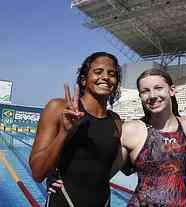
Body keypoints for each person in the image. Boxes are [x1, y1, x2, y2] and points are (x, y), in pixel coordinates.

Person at [29, 52, 122, 207]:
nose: (106, 77)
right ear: (84, 80)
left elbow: (109, 168)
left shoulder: (116, 121)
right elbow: (38, 173)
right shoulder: (58, 108)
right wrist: (64, 133)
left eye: (111, 74)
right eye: (98, 72)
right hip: (64, 202)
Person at [120, 69, 186, 206]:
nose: (152, 95)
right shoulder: (131, 130)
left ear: (172, 90)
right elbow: (102, 173)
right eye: (145, 91)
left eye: (158, 88)